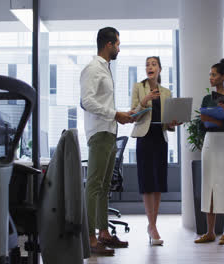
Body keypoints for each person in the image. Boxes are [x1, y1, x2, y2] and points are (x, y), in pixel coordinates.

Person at [80, 27, 134, 256]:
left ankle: (103, 233)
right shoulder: (93, 69)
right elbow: (86, 102)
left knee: (103, 188)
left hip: (109, 131)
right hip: (100, 132)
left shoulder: (105, 69)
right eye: (118, 44)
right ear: (109, 44)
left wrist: (120, 115)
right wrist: (114, 114)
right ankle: (90, 238)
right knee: (94, 186)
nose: (119, 48)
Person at [130, 56, 181, 246]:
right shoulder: (138, 87)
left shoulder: (166, 92)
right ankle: (151, 226)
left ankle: (153, 224)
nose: (149, 67)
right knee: (147, 181)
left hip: (160, 138)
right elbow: (133, 115)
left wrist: (174, 122)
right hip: (144, 137)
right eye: (147, 65)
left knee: (158, 182)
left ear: (160, 69)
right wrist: (144, 101)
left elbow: (168, 121)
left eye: (153, 64)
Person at [194, 59, 224, 245]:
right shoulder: (207, 98)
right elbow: (202, 124)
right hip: (209, 142)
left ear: (223, 77)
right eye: (210, 74)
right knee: (208, 186)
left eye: (214, 74)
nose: (210, 78)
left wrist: (220, 119)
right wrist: (213, 120)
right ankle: (210, 232)